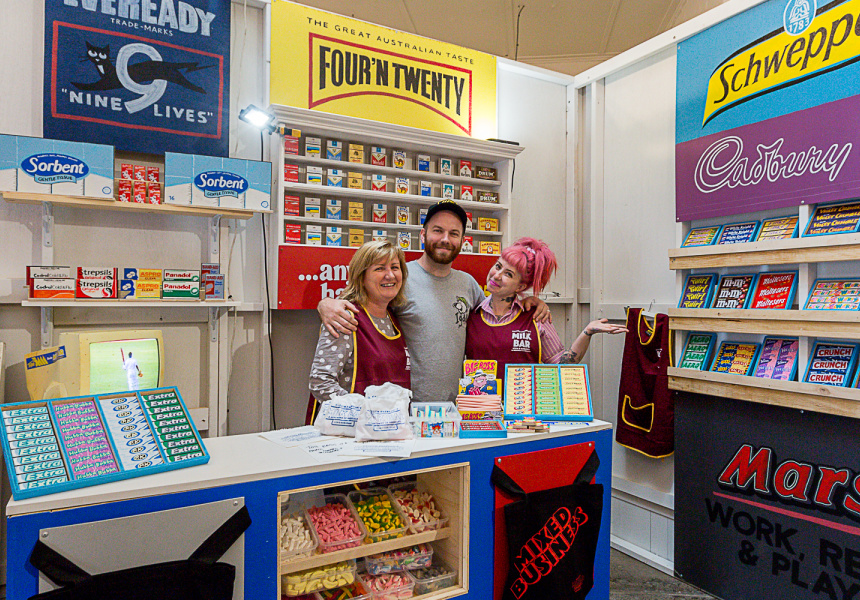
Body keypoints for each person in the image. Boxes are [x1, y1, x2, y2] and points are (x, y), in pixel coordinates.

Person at [318, 200, 550, 403]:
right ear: (423, 234)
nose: (445, 239)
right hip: (406, 406)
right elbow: (363, 303)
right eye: (438, 230)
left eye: (454, 233)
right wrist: (326, 304)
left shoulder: (468, 284)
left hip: (455, 406)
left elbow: (497, 312)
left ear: (462, 241)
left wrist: (531, 302)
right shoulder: (399, 278)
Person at [465, 237, 627, 383]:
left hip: (523, 405)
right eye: (498, 266)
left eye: (508, 274)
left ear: (520, 286)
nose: (496, 276)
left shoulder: (536, 317)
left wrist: (587, 332)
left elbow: (561, 365)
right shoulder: (470, 311)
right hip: (477, 405)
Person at [308, 240, 411, 420]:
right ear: (361, 277)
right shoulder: (344, 318)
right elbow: (320, 382)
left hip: (385, 428)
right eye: (379, 268)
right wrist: (365, 413)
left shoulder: (393, 318)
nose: (390, 275)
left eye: (395, 267)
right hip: (350, 429)